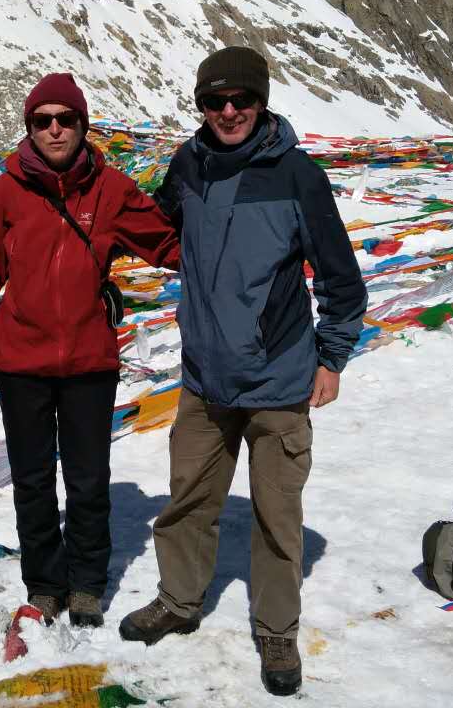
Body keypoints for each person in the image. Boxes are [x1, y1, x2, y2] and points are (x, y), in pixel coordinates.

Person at [117, 46, 368, 697]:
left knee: (276, 516)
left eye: (240, 100)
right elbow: (158, 229)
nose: (228, 112)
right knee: (187, 502)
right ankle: (178, 600)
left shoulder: (297, 175)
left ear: (260, 101)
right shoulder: (188, 166)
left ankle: (277, 630)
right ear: (200, 106)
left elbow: (342, 280)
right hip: (204, 377)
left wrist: (332, 356)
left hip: (279, 381)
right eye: (214, 101)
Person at [0, 72, 179, 629]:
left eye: (65, 119)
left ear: (82, 124)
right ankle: (46, 584)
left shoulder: (112, 190)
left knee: (89, 480)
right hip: (20, 364)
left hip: (89, 365)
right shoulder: (6, 192)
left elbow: (168, 245)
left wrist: (236, 250)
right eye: (42, 120)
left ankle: (88, 583)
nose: (54, 129)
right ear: (29, 127)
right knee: (31, 480)